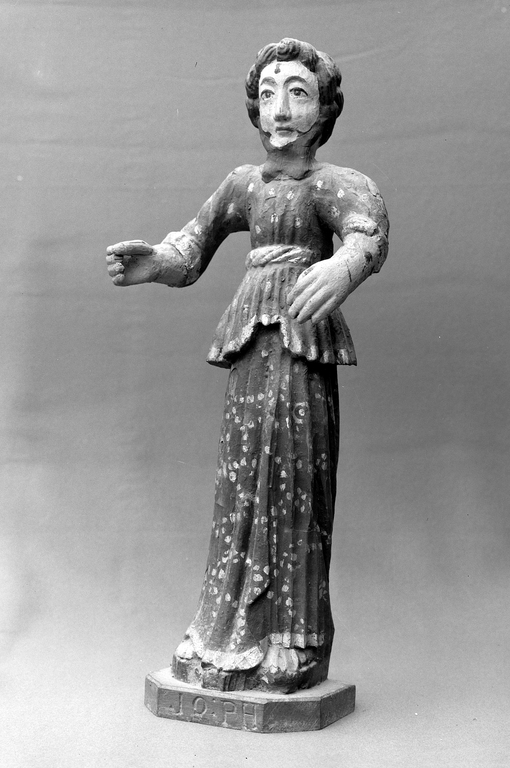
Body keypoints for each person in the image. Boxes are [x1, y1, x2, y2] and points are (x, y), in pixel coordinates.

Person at [106, 38, 389, 693]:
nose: (280, 108)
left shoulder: (334, 184)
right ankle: (224, 632)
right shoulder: (242, 184)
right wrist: (157, 264)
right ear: (255, 110)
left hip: (303, 343)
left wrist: (344, 267)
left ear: (325, 109)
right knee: (239, 490)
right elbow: (191, 245)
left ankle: (295, 638)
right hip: (251, 347)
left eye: (298, 92)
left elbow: (367, 233)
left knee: (296, 483)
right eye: (268, 94)